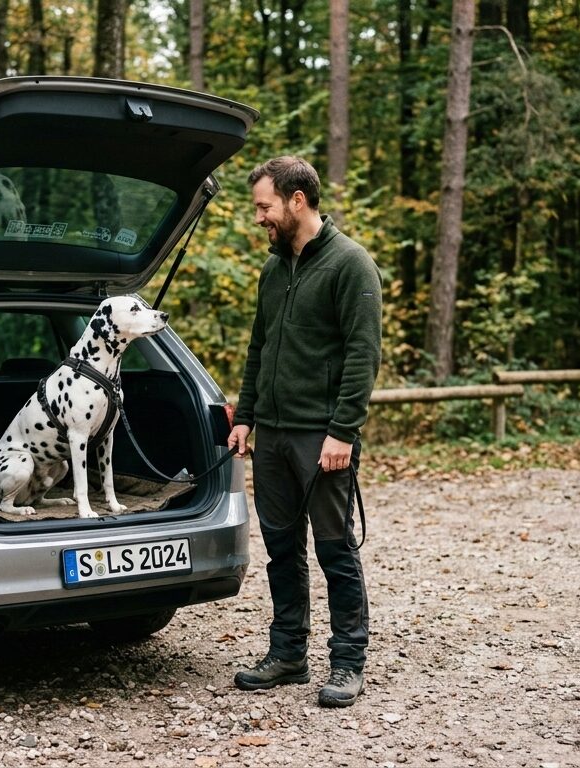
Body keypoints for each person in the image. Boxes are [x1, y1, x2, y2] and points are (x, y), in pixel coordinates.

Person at [226, 156, 382, 708]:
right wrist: (245, 416)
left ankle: (348, 662)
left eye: (265, 207)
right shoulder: (273, 269)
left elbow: (364, 356)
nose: (260, 218)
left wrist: (343, 431)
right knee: (281, 549)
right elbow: (258, 348)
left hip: (323, 439)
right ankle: (288, 653)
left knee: (335, 550)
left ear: (297, 200)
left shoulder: (350, 265)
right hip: (272, 435)